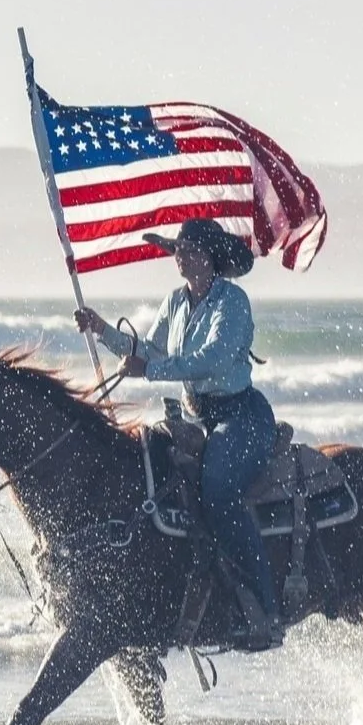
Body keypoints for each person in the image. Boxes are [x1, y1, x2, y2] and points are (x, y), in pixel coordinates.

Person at [74, 218, 282, 649]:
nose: (179, 256)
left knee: (219, 490)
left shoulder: (233, 302)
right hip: (196, 416)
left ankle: (265, 606)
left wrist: (150, 370)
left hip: (240, 415)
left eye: (187, 250)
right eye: (178, 250)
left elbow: (212, 359)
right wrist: (101, 330)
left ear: (208, 257)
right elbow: (147, 350)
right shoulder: (176, 301)